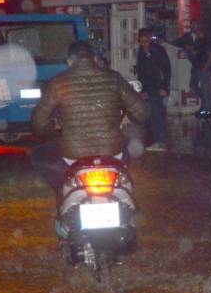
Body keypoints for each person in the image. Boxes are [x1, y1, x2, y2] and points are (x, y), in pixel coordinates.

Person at [30, 41, 150, 237]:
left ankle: (62, 199)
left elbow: (38, 123)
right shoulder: (113, 79)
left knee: (39, 155)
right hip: (112, 152)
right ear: (94, 59)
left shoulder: (58, 83)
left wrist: (53, 129)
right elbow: (143, 113)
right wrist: (128, 117)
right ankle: (126, 202)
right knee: (130, 150)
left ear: (70, 62)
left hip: (73, 155)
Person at [136, 27, 171, 151]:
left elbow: (166, 69)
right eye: (141, 41)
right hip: (149, 88)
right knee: (153, 114)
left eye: (146, 41)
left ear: (150, 39)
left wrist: (164, 86)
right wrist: (143, 90)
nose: (144, 44)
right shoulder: (141, 52)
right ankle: (157, 140)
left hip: (158, 86)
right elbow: (141, 72)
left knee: (158, 113)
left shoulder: (158, 50)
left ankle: (160, 141)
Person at [173, 23, 211, 118]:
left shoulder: (206, 41)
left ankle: (208, 110)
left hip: (205, 68)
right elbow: (193, 50)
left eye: (199, 30)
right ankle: (205, 107)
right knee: (194, 86)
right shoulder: (197, 41)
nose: (198, 32)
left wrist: (205, 68)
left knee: (206, 89)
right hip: (197, 67)